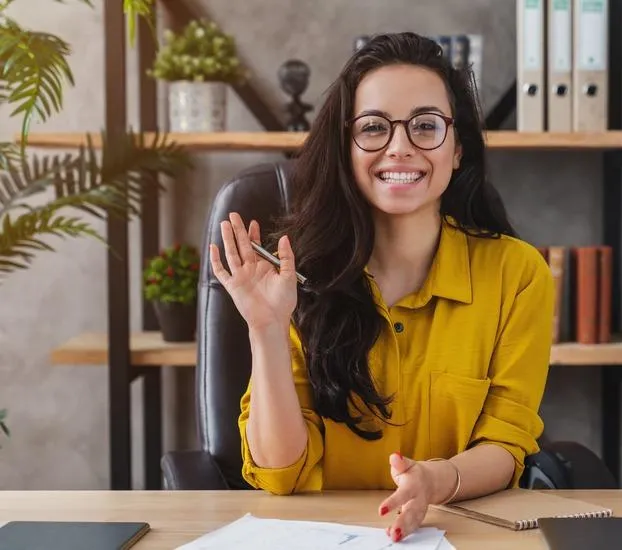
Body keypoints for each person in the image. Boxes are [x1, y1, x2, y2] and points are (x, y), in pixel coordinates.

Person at [209, 31, 555, 543]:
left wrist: (436, 480)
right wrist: (266, 327)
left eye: (425, 126)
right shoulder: (294, 276)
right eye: (373, 127)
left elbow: (507, 445)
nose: (400, 147)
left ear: (457, 148)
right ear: (347, 148)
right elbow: (280, 473)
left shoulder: (517, 274)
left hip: (452, 533)